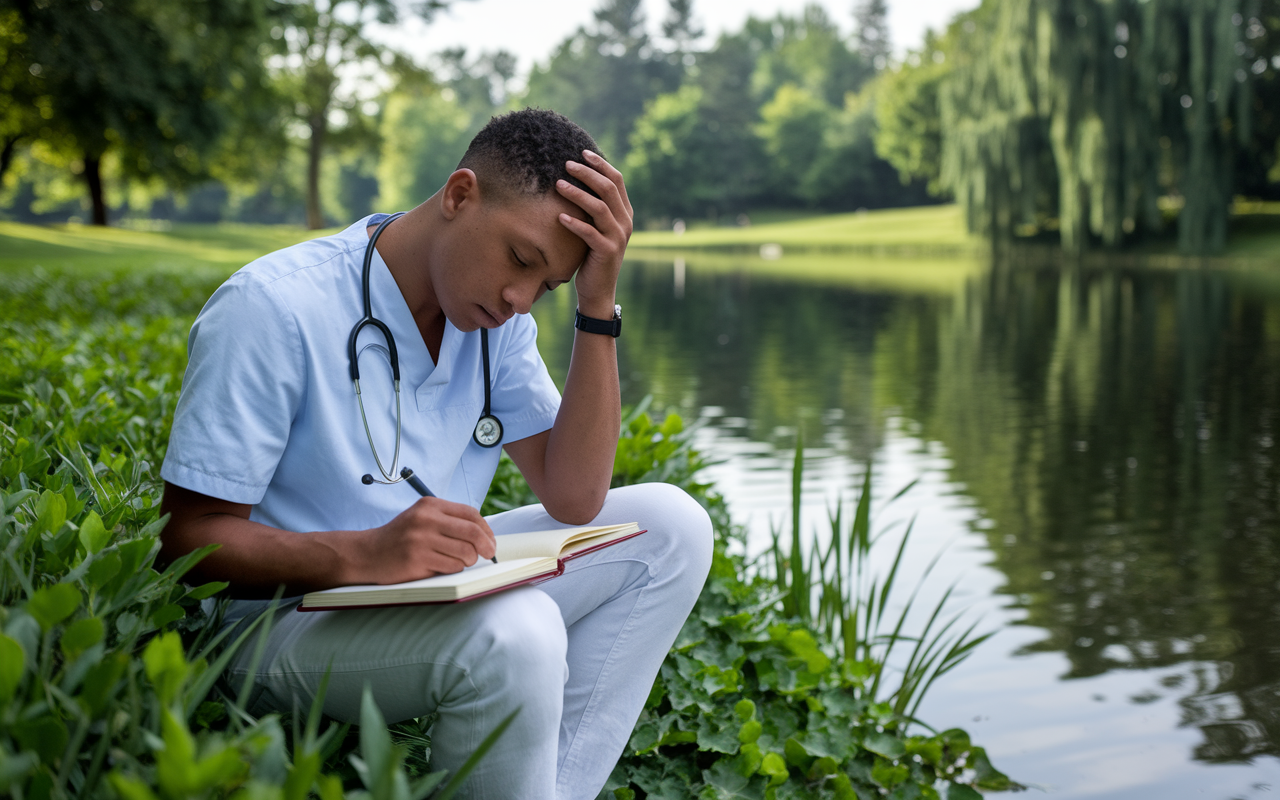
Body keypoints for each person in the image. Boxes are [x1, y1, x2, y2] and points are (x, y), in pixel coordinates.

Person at [157, 109, 713, 799]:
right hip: (278, 625)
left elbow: (576, 497)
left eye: (546, 287)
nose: (519, 299)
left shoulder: (493, 323)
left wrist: (597, 305)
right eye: (520, 259)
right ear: (459, 195)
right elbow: (185, 542)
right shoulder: (272, 307)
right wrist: (362, 555)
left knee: (673, 524)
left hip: (422, 594)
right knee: (520, 629)